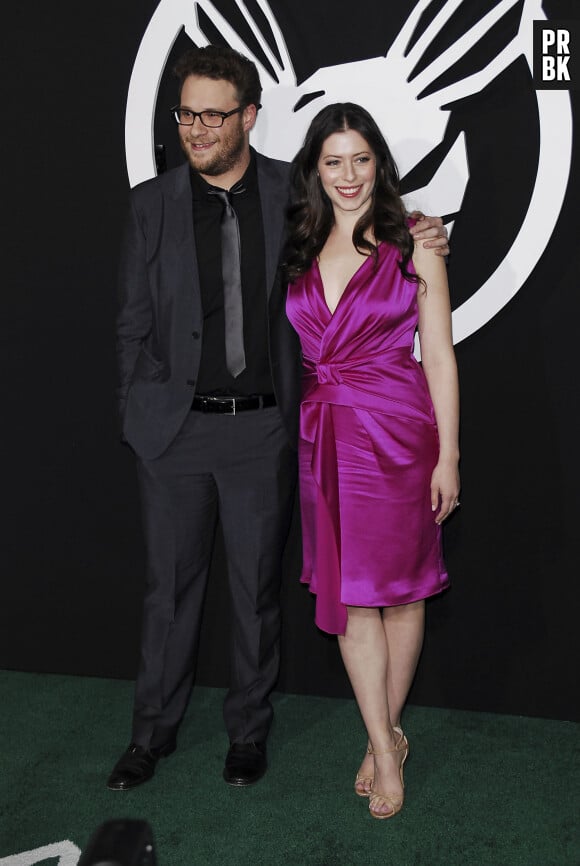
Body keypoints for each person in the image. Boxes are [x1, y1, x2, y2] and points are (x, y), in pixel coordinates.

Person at [109, 46, 449, 792]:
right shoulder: (150, 204)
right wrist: (140, 411)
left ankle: (247, 736)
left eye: (213, 115)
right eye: (186, 114)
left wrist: (424, 229)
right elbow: (131, 322)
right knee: (168, 590)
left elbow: (366, 216)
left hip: (265, 427)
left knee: (256, 589)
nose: (197, 129)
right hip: (172, 432)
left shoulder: (289, 197)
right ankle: (150, 736)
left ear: (250, 118)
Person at [284, 103, 460, 819]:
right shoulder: (293, 242)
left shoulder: (413, 240)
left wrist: (449, 455)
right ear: (315, 169)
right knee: (353, 596)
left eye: (361, 159)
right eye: (334, 161)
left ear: (378, 163)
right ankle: (385, 744)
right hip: (322, 440)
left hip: (399, 436)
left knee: (404, 592)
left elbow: (441, 355)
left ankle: (383, 734)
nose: (349, 175)